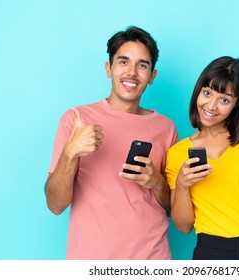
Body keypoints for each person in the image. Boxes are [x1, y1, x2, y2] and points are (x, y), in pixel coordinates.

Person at [45, 26, 178, 260]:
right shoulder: (77, 120)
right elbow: (55, 205)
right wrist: (70, 153)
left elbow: (174, 211)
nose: (132, 72)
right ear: (109, 68)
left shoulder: (166, 128)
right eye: (123, 62)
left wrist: (156, 182)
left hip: (152, 258)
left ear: (152, 76)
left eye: (142, 65)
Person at [165, 56, 239, 260]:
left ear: (237, 103)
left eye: (224, 100)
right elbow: (184, 226)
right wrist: (182, 184)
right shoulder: (177, 153)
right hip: (212, 250)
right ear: (198, 92)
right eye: (207, 93)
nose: (211, 106)